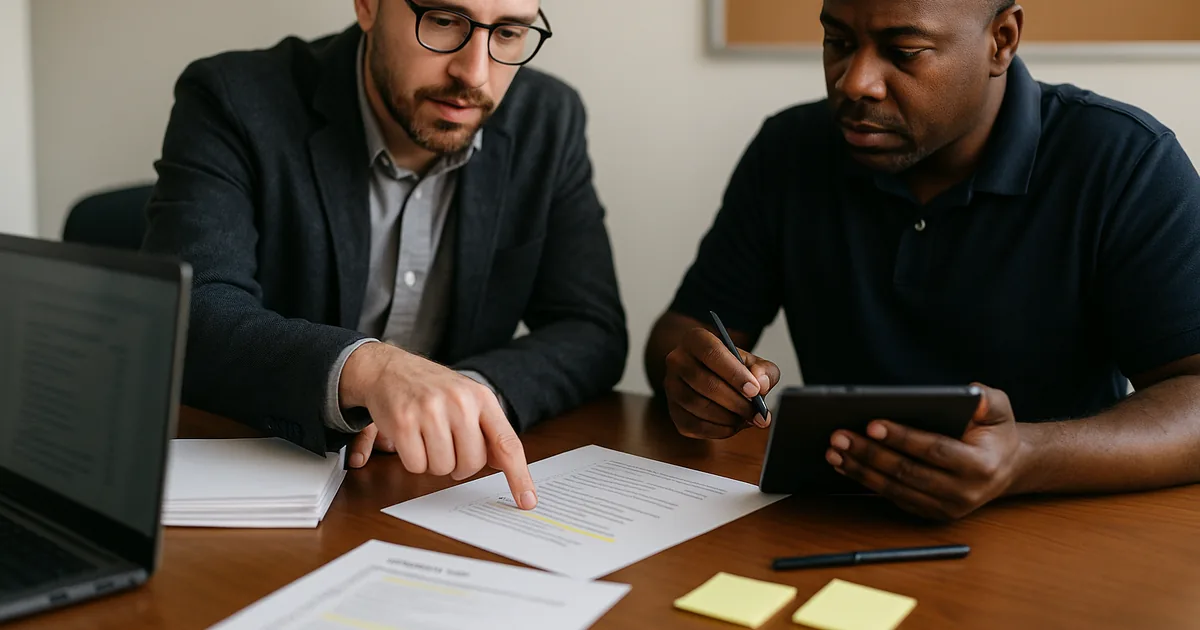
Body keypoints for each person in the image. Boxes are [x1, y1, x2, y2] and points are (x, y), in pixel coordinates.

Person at [646, 0, 1200, 521]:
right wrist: (699, 378)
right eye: (837, 39)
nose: (854, 81)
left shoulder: (1123, 160)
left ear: (1001, 40)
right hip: (833, 518)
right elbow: (685, 333)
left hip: (1054, 529)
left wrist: (1024, 456)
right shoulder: (789, 150)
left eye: (904, 51)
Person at [142, 0, 629, 511]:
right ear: (369, 6)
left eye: (508, 33)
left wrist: (460, 394)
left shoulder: (548, 119)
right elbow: (189, 312)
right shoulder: (233, 97)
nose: (475, 73)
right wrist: (370, 372)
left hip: (433, 489)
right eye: (443, 21)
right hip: (269, 484)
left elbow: (591, 328)